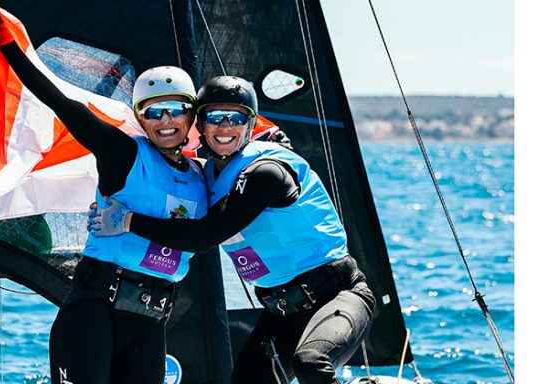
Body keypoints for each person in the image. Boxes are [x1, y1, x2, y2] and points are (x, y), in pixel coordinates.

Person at [90, 76, 376, 384]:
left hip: (337, 295)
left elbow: (204, 237)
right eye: (214, 117)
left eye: (236, 118)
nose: (225, 126)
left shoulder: (267, 172)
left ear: (250, 126)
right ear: (199, 125)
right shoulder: (204, 178)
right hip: (279, 314)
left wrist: (128, 221)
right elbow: (159, 174)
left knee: (310, 362)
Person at [0, 5, 209, 383]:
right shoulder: (124, 153)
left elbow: (238, 145)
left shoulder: (204, 175)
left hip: (151, 320)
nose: (165, 121)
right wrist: (9, 48)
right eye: (153, 112)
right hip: (96, 310)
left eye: (176, 110)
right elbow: (62, 104)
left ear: (191, 117)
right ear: (140, 117)